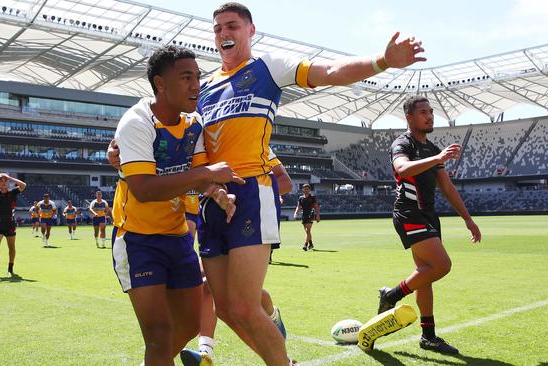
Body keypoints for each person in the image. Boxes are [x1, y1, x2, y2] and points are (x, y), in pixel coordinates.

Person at [195, 3, 426, 364]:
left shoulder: (267, 67)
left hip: (251, 192)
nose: (223, 33)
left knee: (243, 304)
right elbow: (190, 146)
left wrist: (381, 61)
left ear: (250, 31)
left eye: (232, 26)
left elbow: (330, 71)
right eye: (217, 28)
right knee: (225, 308)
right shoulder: (204, 87)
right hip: (212, 201)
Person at [111, 45, 243, 366]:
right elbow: (142, 189)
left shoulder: (193, 124)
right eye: (186, 77)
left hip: (178, 238)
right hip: (138, 239)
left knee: (187, 327)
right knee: (158, 334)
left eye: (197, 77)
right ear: (160, 83)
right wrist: (207, 174)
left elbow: (197, 179)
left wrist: (216, 192)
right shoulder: (137, 122)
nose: (195, 85)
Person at [377, 95, 481, 355]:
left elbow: (446, 186)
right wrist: (438, 159)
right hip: (409, 213)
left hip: (429, 215)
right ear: (409, 118)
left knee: (425, 274)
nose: (429, 116)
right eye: (423, 112)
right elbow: (402, 169)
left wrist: (467, 219)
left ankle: (428, 336)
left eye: (431, 111)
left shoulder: (433, 149)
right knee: (441, 265)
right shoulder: (402, 143)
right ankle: (391, 295)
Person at [181, 157, 293, 366]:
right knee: (215, 292)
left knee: (243, 300)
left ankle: (272, 321)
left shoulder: (251, 139)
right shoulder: (200, 142)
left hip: (249, 217)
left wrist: (262, 193)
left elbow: (284, 181)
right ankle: (205, 351)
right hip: (212, 219)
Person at [293, 184, 320, 251]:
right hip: (304, 215)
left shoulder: (313, 197)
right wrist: (296, 213)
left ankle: (305, 245)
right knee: (307, 231)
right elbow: (298, 206)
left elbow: (316, 206)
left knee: (308, 230)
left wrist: (317, 215)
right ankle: (311, 244)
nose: (306, 190)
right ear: (303, 190)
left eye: (307, 189)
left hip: (310, 214)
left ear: (310, 190)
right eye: (305, 189)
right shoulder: (301, 198)